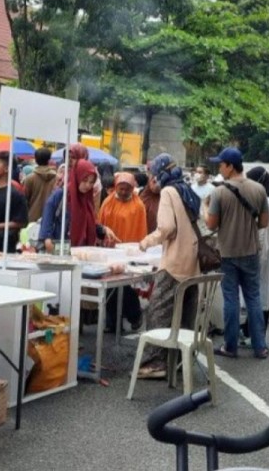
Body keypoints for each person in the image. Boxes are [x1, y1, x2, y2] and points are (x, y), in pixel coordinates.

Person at [136, 154, 203, 379]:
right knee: (185, 313)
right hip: (193, 261)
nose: (152, 179)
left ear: (160, 174)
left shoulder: (168, 192)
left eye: (153, 175)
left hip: (174, 262)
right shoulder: (187, 190)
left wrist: (146, 242)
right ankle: (180, 360)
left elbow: (166, 227)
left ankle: (155, 363)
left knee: (158, 311)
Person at [205, 147, 269, 359]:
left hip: (227, 253)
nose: (220, 168)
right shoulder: (259, 189)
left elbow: (211, 224)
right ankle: (259, 346)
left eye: (221, 164)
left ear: (230, 166)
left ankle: (230, 346)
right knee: (253, 298)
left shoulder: (219, 192)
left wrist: (206, 209)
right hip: (251, 251)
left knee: (231, 299)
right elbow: (264, 222)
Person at [98, 172, 146, 332]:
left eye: (127, 189)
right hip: (109, 249)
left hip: (128, 251)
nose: (124, 192)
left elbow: (141, 230)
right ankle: (113, 323)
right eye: (121, 188)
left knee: (125, 287)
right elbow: (100, 222)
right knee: (110, 287)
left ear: (132, 188)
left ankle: (135, 315)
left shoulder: (138, 206)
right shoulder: (108, 202)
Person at [38, 159, 118, 253]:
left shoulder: (87, 200)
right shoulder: (59, 197)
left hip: (83, 255)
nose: (88, 185)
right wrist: (67, 254)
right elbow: (47, 238)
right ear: (76, 177)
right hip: (61, 253)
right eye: (84, 180)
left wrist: (104, 230)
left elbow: (90, 224)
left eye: (91, 182)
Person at [244, 166, 269, 340]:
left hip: (265, 255)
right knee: (260, 295)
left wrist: (259, 258)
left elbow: (264, 233)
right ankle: (254, 334)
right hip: (266, 253)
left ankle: (257, 336)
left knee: (261, 296)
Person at [22, 147, 57, 222]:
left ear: (36, 160)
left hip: (32, 216)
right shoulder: (56, 178)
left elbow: (24, 200)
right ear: (49, 159)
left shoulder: (29, 178)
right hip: (50, 217)